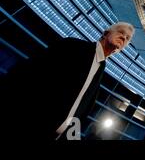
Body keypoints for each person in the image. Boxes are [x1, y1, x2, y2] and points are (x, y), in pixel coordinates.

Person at [0, 22, 134, 140]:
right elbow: (29, 70)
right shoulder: (73, 46)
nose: (124, 37)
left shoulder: (100, 71)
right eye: (121, 32)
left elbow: (79, 111)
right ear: (106, 33)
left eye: (127, 38)